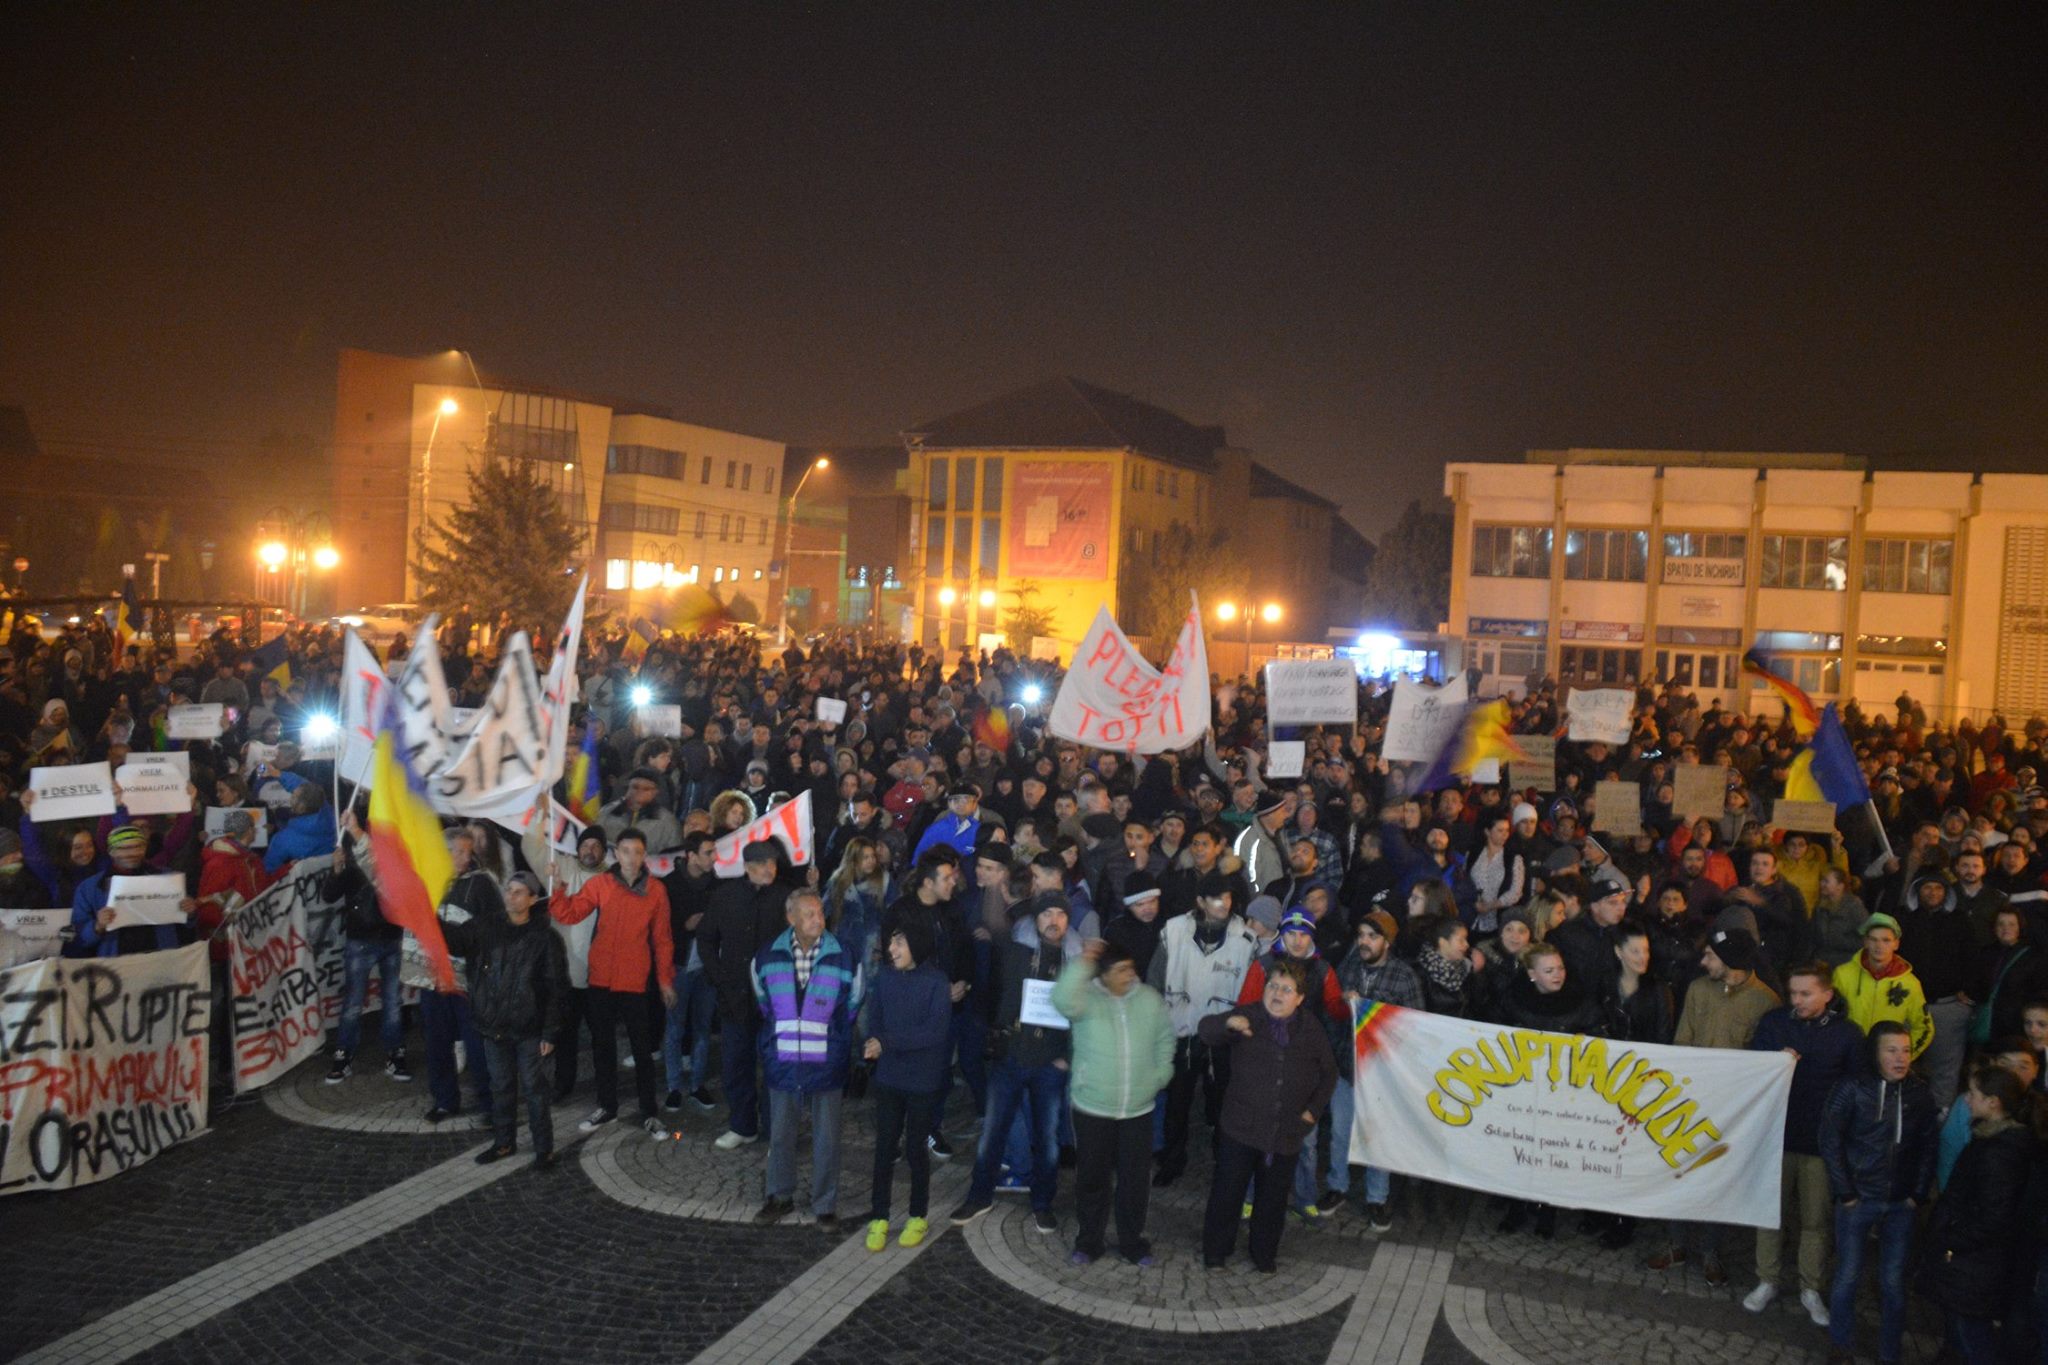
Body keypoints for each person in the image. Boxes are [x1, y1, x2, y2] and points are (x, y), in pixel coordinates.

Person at [1649, 928, 1777, 1283]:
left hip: (1734, 1110)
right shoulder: (1697, 989)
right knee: (1679, 1171)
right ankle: (1676, 1243)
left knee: (1719, 1180)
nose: (1703, 962)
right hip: (1691, 1101)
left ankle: (1710, 1251)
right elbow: (1683, 1039)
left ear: (1731, 961)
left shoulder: (1765, 1002)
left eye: (1710, 956)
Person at [1197, 957, 1337, 1273]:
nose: (1276, 994)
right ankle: (1216, 1250)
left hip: (1285, 1132)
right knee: (1228, 1192)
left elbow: (1329, 1072)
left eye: (1286, 989)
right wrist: (1227, 1025)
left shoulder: (1310, 1027)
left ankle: (1264, 1253)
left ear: (1299, 998)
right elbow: (1206, 1030)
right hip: (1241, 1127)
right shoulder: (1249, 1015)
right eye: (1272, 986)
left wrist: (1312, 1112)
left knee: (1273, 1199)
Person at [1744, 962, 1862, 1326]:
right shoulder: (1774, 1023)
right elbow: (1751, 1068)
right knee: (1769, 1214)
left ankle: (1810, 1287)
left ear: (1827, 994)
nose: (1797, 1000)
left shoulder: (1847, 1035)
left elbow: (1856, 1088)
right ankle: (1767, 1279)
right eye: (1793, 993)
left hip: (1820, 1145)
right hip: (1775, 1139)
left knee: (1815, 1220)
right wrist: (1773, 1062)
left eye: (1806, 994)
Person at [1818, 1021, 1939, 1365]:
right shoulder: (1852, 1088)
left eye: (1906, 1050)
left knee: (1893, 1283)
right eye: (1892, 1050)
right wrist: (1845, 1192)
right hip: (1859, 1199)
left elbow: (1929, 1146)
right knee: (1847, 1276)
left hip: (1901, 1203)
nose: (1901, 1058)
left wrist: (1917, 1193)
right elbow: (1830, 1139)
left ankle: (1889, 1353)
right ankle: (1841, 1346)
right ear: (1875, 1052)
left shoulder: (1919, 1093)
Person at [952, 895, 1075, 1232]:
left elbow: (1084, 1015)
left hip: (1050, 1063)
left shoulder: (1074, 966)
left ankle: (1043, 1202)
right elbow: (990, 985)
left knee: (1047, 1139)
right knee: (993, 1132)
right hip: (1010, 1057)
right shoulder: (1016, 955)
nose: (1053, 920)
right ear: (1036, 920)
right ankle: (979, 1195)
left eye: (1061, 914)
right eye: (1046, 913)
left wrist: (1067, 1055)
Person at [1053, 936, 1176, 1266]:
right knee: (1092, 1179)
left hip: (1138, 1109)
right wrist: (1083, 963)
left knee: (1135, 1182)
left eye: (1131, 968)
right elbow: (1061, 999)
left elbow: (1166, 1039)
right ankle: (1089, 1241)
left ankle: (1132, 1242)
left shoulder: (1149, 999)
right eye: (1120, 970)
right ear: (1103, 974)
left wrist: (1160, 1076)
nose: (1129, 975)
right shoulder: (1087, 999)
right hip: (1093, 1107)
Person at [548, 825, 676, 1138]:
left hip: (635, 981)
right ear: (616, 854)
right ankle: (607, 1106)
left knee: (642, 1050)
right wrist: (557, 888)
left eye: (637, 852)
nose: (631, 858)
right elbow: (569, 914)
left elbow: (662, 939)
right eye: (626, 851)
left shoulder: (656, 890)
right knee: (602, 1047)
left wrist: (664, 980)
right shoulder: (601, 884)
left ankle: (649, 1112)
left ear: (644, 855)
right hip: (601, 979)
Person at [444, 871, 570, 1169]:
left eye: (518, 892)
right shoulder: (486, 926)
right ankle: (503, 1143)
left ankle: (544, 1149)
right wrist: (429, 919)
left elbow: (556, 987)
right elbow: (456, 941)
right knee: (501, 1086)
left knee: (535, 1090)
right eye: (508, 890)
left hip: (530, 1029)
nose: (510, 896)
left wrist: (550, 1033)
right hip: (493, 1025)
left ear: (533, 899)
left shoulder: (545, 938)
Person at [752, 888, 860, 1226]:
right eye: (809, 914)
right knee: (781, 1133)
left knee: (827, 1137)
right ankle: (779, 1196)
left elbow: (852, 1005)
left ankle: (824, 1204)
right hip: (783, 1060)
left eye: (820, 913)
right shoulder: (767, 956)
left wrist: (835, 1040)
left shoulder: (844, 955)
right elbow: (764, 1003)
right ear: (791, 919)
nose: (818, 919)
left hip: (827, 1061)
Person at [1921, 1064, 2038, 1365]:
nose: (1967, 1099)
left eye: (1973, 1094)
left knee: (1971, 1336)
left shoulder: (1999, 1153)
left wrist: (1951, 1242)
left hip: (1975, 1265)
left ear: (1993, 1102)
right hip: (1974, 1262)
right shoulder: (1995, 1140)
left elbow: (1993, 1218)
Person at [1149, 869, 1260, 1186]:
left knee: (1224, 1104)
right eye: (1216, 898)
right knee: (1177, 1103)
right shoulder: (1174, 931)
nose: (1224, 903)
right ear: (1200, 901)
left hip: (1223, 1036)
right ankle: (1172, 1160)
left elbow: (1252, 991)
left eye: (1227, 897)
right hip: (1181, 1031)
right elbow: (1155, 979)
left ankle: (1223, 1162)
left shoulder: (1245, 940)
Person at [698, 840, 794, 1148]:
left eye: (773, 863)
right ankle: (742, 1125)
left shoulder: (785, 898)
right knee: (736, 1065)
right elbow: (706, 939)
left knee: (774, 1067)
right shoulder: (725, 896)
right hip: (735, 998)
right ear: (748, 867)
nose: (770, 869)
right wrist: (719, 977)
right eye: (763, 864)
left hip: (775, 1000)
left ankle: (775, 1130)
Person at [1332, 910, 1423, 1230]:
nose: (1364, 942)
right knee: (1340, 1132)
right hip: (1347, 1065)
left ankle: (1377, 1197)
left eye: (1372, 936)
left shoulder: (1403, 976)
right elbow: (1333, 1010)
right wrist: (1343, 1003)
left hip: (1382, 1072)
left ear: (1387, 941)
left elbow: (1414, 1024)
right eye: (1361, 935)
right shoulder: (1349, 967)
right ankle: (1337, 1186)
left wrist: (1375, 1012)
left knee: (1378, 1136)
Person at [863, 924, 951, 1251]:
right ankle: (879, 1216)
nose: (891, 950)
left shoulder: (936, 982)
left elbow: (934, 1033)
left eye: (899, 943)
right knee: (885, 1147)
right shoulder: (885, 977)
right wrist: (873, 1041)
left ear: (917, 943)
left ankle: (917, 1215)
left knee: (916, 1149)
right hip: (889, 1077)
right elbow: (875, 1017)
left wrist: (886, 1042)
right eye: (891, 943)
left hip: (922, 1081)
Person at [412, 826, 503, 1124]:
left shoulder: (482, 884)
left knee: (477, 1047)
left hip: (468, 982)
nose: (467, 857)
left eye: (469, 851)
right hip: (433, 980)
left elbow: (493, 930)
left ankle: (491, 1105)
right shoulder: (426, 880)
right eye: (460, 851)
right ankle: (444, 1100)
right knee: (437, 1043)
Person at [319, 808, 408, 1084]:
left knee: (392, 1002)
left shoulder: (394, 859)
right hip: (361, 939)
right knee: (353, 1002)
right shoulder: (353, 860)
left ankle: (395, 1052)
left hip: (390, 937)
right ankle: (344, 1054)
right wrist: (336, 871)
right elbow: (329, 895)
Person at [659, 830, 720, 1112]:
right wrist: (684, 926)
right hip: (679, 965)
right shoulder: (669, 885)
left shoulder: (716, 885)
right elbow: (659, 930)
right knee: (675, 1027)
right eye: (708, 853)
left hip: (706, 967)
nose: (714, 858)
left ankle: (696, 1084)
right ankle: (674, 1086)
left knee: (702, 1027)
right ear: (691, 856)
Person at [1830, 913, 1933, 1060]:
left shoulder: (1910, 983)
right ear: (1865, 941)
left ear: (1896, 944)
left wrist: (1902, 1057)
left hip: (1887, 1062)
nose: (1879, 946)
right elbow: (1830, 1017)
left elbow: (1924, 1028)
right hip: (1848, 1058)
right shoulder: (1842, 974)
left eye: (1886, 940)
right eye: (1873, 939)